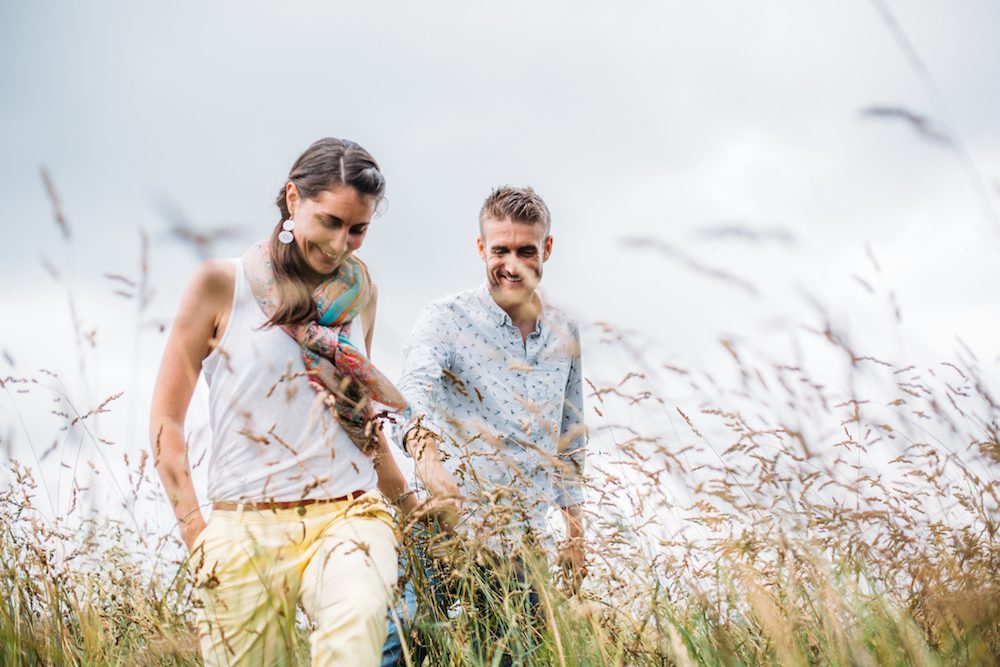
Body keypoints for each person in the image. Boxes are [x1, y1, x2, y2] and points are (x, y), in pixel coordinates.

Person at [149, 138, 418, 667]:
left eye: (357, 228)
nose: (342, 243)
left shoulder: (360, 293)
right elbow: (165, 424)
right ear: (293, 200)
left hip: (348, 514)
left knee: (359, 621)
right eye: (331, 221)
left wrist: (408, 507)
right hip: (243, 522)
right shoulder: (219, 284)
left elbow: (356, 416)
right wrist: (198, 538)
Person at [381, 186, 587, 665]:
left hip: (525, 549)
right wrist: (428, 459)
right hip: (443, 534)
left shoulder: (564, 332)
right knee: (396, 650)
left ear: (547, 249)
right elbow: (410, 396)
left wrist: (576, 531)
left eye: (525, 250)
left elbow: (570, 436)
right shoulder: (445, 318)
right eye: (500, 250)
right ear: (481, 249)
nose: (511, 264)